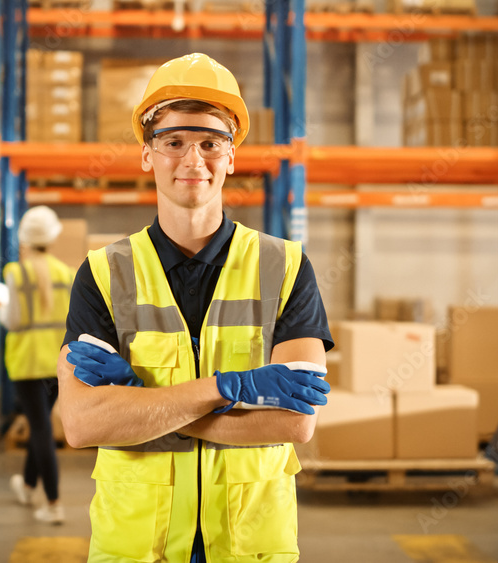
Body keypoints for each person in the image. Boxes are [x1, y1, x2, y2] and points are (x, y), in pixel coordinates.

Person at [57, 53, 334, 562]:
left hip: (250, 546)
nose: (193, 160)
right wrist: (229, 390)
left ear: (232, 157)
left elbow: (295, 423)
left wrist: (144, 404)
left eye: (211, 143)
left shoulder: (285, 266)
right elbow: (80, 424)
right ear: (147, 155)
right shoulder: (102, 273)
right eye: (173, 142)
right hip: (140, 547)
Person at [0, 205, 73, 525]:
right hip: (57, 364)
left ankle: (54, 504)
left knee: (40, 428)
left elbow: (13, 322)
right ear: (53, 237)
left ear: (25, 240)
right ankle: (28, 487)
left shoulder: (17, 273)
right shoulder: (68, 274)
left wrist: (2, 304)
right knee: (39, 425)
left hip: (28, 364)